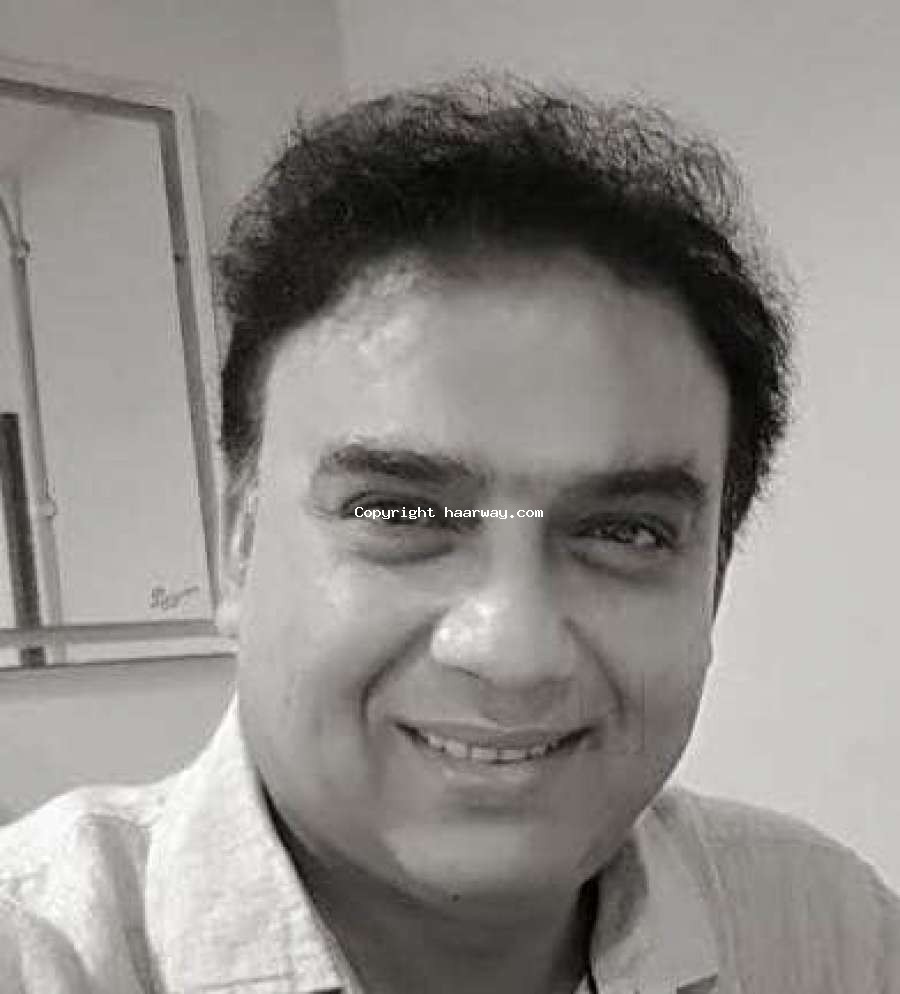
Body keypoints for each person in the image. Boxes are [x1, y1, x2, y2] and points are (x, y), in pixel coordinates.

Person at [1, 73, 897, 994]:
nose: (513, 652)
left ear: (714, 583)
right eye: (400, 514)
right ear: (239, 542)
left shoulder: (829, 933)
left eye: (625, 532)